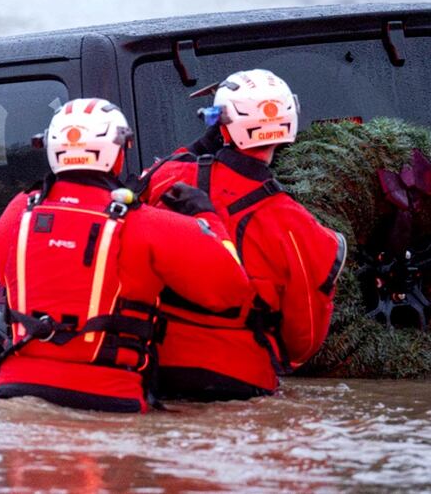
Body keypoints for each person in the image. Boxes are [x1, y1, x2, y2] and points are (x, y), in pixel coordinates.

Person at [0, 98, 250, 412]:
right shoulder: (147, 223)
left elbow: (2, 264)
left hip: (13, 390)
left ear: (51, 148)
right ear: (118, 153)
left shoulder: (19, 210)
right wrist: (206, 217)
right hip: (112, 399)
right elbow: (231, 291)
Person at [139, 69, 347, 400]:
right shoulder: (297, 226)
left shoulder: (167, 179)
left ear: (218, 123)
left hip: (156, 374)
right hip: (242, 382)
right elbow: (303, 341)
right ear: (290, 122)